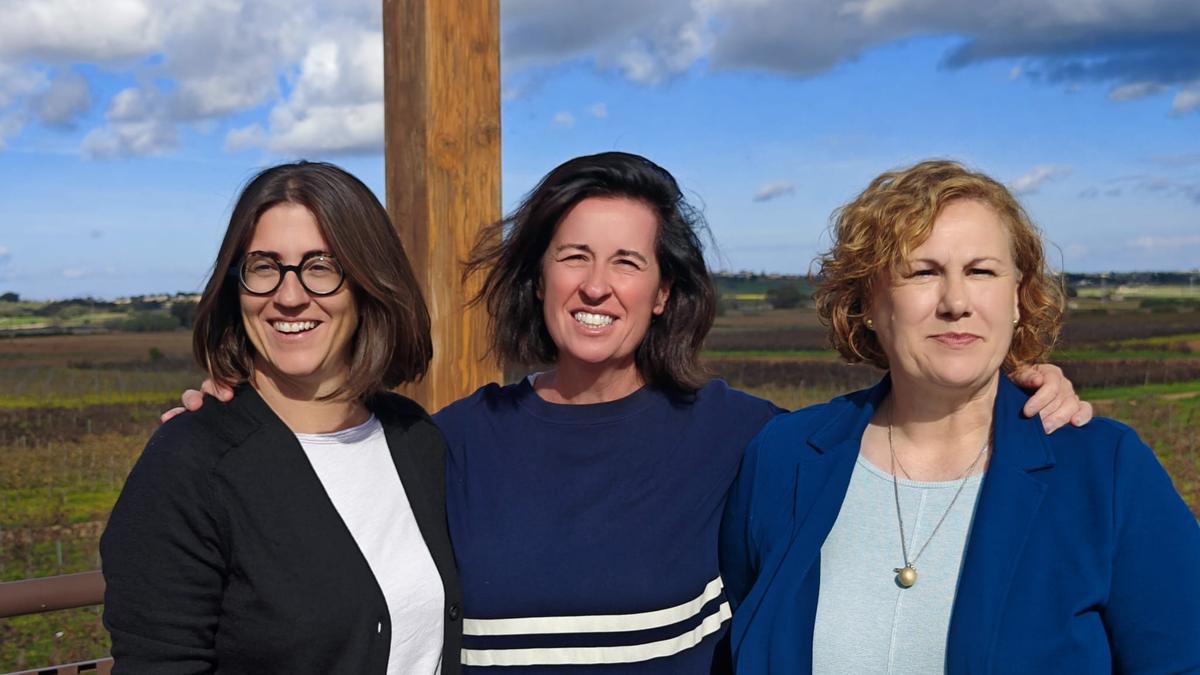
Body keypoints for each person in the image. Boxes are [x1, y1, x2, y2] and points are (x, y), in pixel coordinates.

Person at [169, 152, 1090, 672]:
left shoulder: (744, 438)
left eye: (628, 262)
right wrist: (234, 413)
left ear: (663, 293)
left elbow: (902, 426)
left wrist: (1015, 389)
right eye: (573, 256)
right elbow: (334, 465)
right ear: (538, 278)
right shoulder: (446, 441)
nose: (597, 286)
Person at [719, 160, 1200, 674]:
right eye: (923, 272)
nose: (955, 302)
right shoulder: (783, 456)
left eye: (981, 271)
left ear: (1017, 298)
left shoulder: (1106, 471)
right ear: (867, 304)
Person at [101, 161, 463, 674]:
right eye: (264, 267)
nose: (289, 296)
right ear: (237, 286)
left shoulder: (416, 438)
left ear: (367, 283)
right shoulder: (190, 465)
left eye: (321, 266)